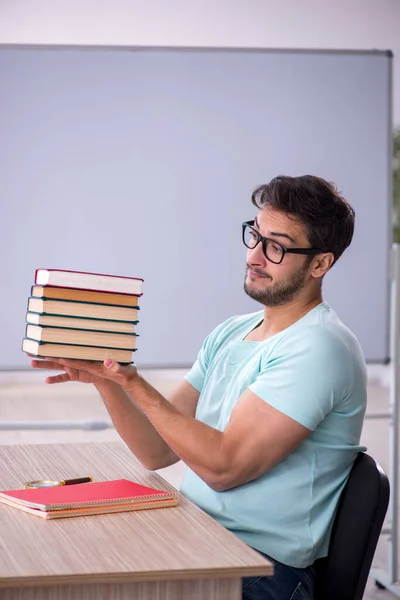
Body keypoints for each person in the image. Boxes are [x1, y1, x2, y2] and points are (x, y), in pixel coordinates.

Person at [29, 175, 367, 600]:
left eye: (276, 246)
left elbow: (224, 469)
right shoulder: (233, 332)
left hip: (262, 569)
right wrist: (109, 381)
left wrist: (135, 382)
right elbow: (157, 450)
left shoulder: (319, 347)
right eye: (255, 236)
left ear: (320, 264)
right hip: (200, 536)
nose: (254, 256)